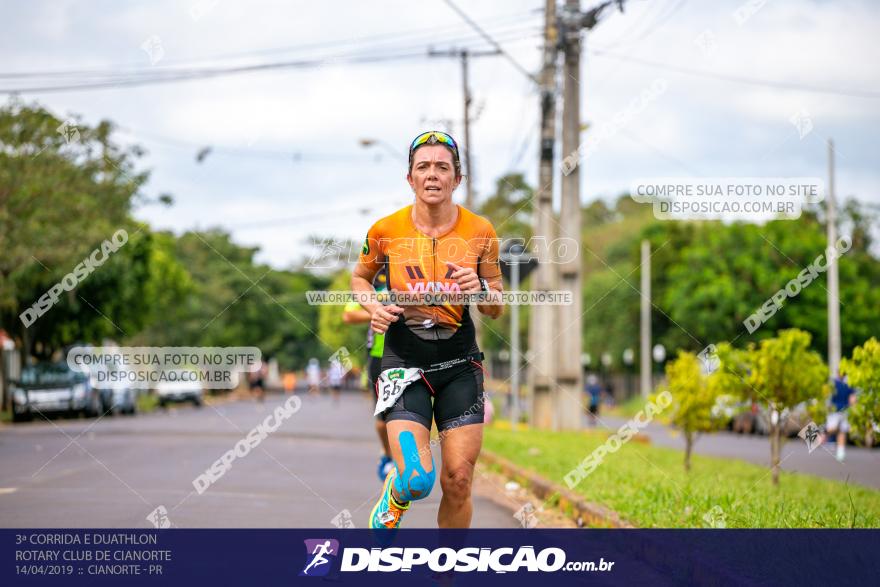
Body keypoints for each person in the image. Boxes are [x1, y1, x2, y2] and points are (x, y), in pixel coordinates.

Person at [352, 130, 503, 530]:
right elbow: (360, 280)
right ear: (410, 179)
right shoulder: (385, 230)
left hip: (460, 364)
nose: (432, 175)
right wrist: (374, 307)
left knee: (458, 480)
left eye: (442, 167)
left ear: (457, 179)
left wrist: (481, 288)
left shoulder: (481, 231)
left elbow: (496, 307)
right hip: (404, 362)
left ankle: (447, 572)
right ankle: (398, 492)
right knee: (419, 480)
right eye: (423, 167)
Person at [343, 267, 394, 482]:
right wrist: (379, 310)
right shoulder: (376, 279)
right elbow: (348, 314)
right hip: (379, 355)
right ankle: (388, 454)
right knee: (383, 419)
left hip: (413, 354)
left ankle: (406, 461)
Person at [825, 373, 855, 462]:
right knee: (831, 428)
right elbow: (828, 396)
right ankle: (821, 433)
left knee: (842, 431)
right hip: (835, 410)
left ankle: (840, 452)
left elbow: (852, 398)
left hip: (844, 411)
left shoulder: (848, 383)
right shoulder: (834, 383)